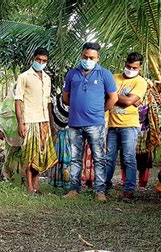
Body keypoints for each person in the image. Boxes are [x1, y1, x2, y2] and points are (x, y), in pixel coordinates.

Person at [62, 42, 118, 201]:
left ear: (97, 58)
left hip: (96, 123)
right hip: (74, 123)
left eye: (91, 57)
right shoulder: (72, 74)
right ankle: (74, 189)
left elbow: (113, 98)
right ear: (81, 56)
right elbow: (66, 97)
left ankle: (100, 191)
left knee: (99, 157)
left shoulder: (105, 74)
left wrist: (100, 111)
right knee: (74, 158)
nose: (88, 60)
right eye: (85, 57)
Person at [104, 52, 147, 200]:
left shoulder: (140, 82)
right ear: (125, 63)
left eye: (134, 67)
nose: (131, 69)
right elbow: (127, 100)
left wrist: (114, 96)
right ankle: (104, 186)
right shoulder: (113, 77)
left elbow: (129, 102)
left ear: (140, 67)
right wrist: (126, 99)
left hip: (129, 125)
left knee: (128, 158)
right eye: (129, 66)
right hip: (112, 124)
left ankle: (129, 190)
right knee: (109, 157)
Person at [14, 48, 57, 194]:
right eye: (38, 60)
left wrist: (51, 123)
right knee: (29, 154)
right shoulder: (24, 76)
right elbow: (18, 100)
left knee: (40, 154)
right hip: (30, 120)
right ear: (34, 58)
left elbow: (48, 101)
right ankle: (29, 187)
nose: (41, 63)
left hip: (44, 120)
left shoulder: (47, 78)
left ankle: (36, 186)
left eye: (44, 61)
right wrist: (20, 123)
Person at [0, 86, 23, 180]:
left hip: (23, 132)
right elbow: (1, 116)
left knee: (22, 155)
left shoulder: (26, 100)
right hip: (10, 134)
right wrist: (1, 130)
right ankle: (7, 176)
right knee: (9, 155)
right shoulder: (7, 101)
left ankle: (21, 177)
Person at [49, 93, 71, 189]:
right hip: (57, 132)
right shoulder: (55, 100)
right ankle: (57, 182)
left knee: (69, 157)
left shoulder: (76, 99)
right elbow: (50, 110)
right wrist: (52, 126)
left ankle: (68, 182)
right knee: (57, 156)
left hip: (70, 133)